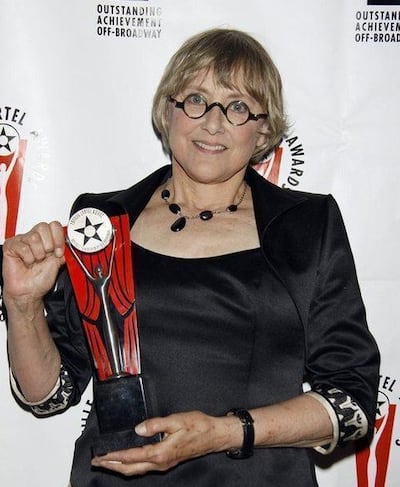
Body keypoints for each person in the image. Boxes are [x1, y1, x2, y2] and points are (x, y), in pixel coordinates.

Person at [2, 28, 380, 487]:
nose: (213, 124)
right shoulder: (101, 223)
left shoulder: (307, 227)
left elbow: (352, 405)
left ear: (263, 128)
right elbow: (51, 395)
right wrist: (23, 305)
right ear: (168, 109)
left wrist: (225, 433)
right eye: (197, 100)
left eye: (237, 107)